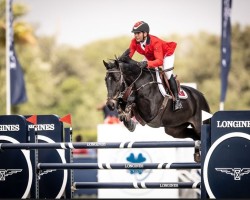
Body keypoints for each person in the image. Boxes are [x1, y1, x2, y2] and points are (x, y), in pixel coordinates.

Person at [129, 21, 183, 112]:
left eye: (138, 33)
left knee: (167, 72)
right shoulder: (134, 42)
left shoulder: (155, 42)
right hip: (151, 56)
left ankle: (177, 99)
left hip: (166, 54)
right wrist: (119, 62)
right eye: (135, 33)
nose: (136, 35)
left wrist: (147, 64)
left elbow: (159, 61)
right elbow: (128, 55)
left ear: (145, 33)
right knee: (139, 71)